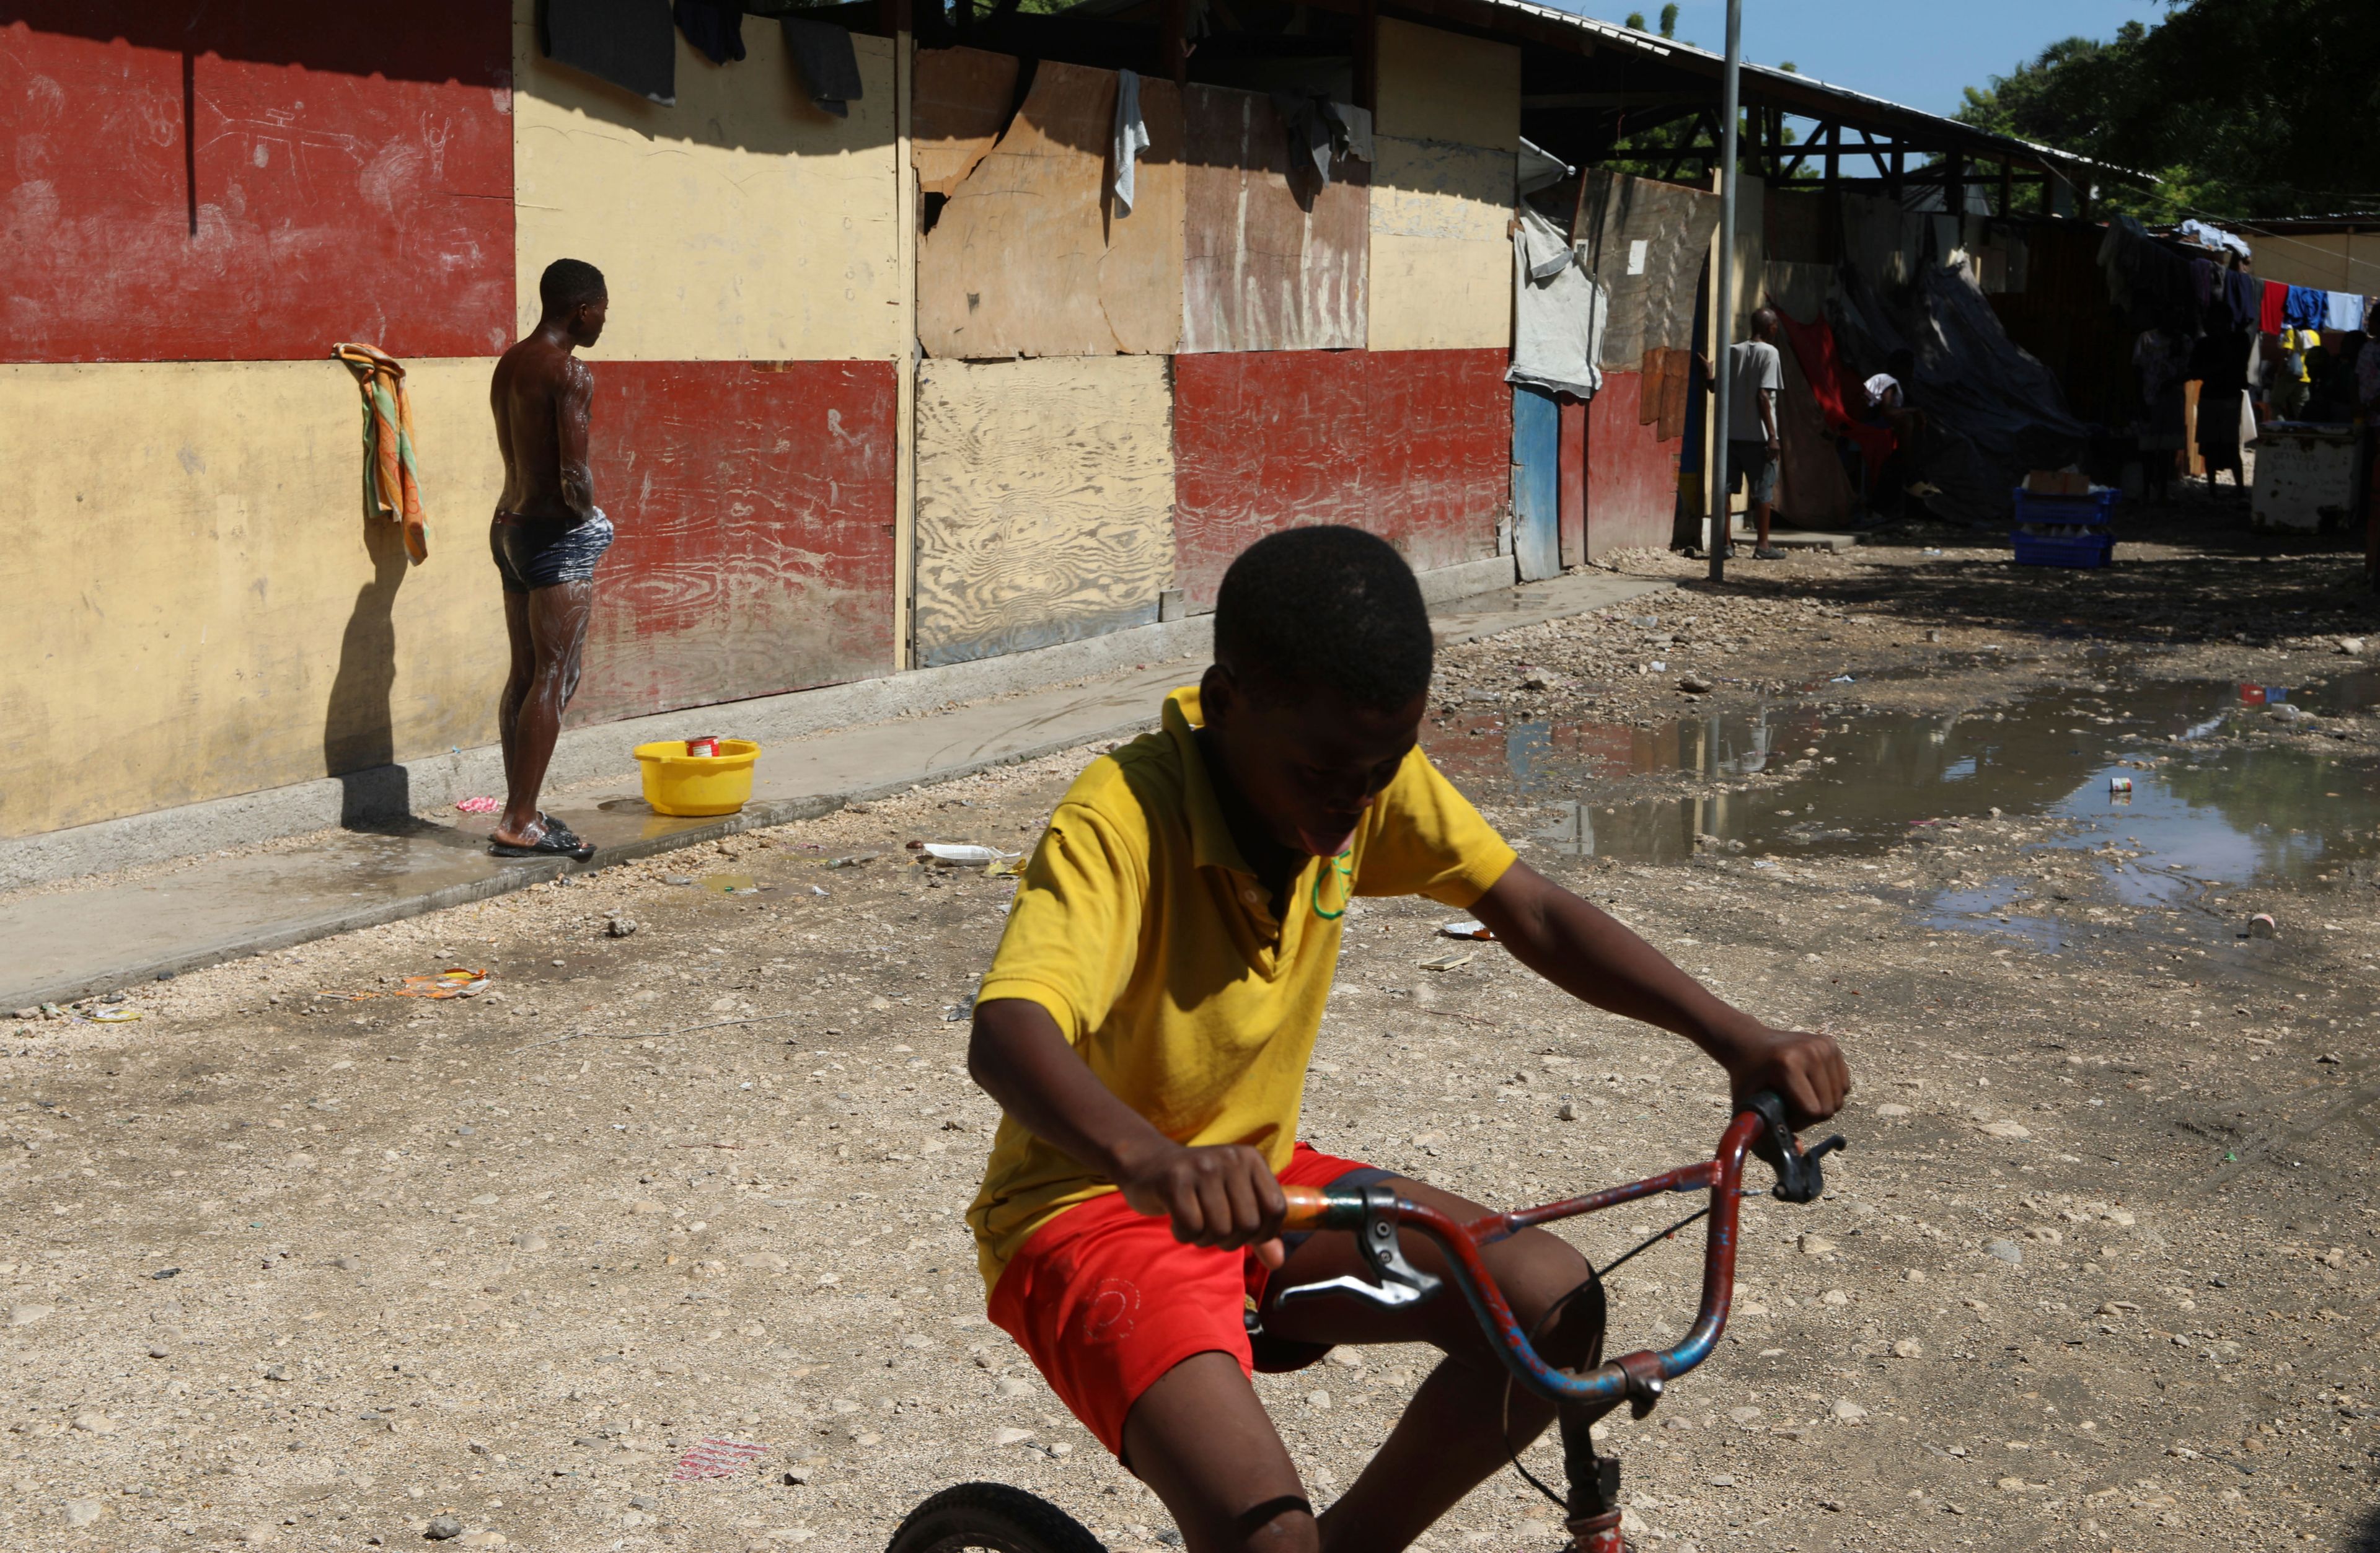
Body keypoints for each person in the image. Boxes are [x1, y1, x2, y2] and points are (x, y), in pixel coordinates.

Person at [964, 526, 1851, 1553]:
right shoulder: (1121, 820)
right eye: (1326, 772)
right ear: (1224, 703)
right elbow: (1008, 1029)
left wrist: (1735, 1037)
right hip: (1095, 1209)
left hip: (1265, 1184)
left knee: (1551, 1309)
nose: (1352, 808)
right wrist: (1153, 1160)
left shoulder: (1355, 778)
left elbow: (1532, 909)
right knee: (1265, 1533)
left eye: (1381, 771)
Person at [485, 258, 614, 860]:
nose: (605, 321)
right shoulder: (570, 372)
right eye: (603, 310)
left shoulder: (512, 361)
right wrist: (591, 516)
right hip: (552, 533)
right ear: (581, 309)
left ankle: (523, 808)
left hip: (508, 526)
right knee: (556, 674)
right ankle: (518, 820)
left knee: (526, 672)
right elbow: (572, 472)